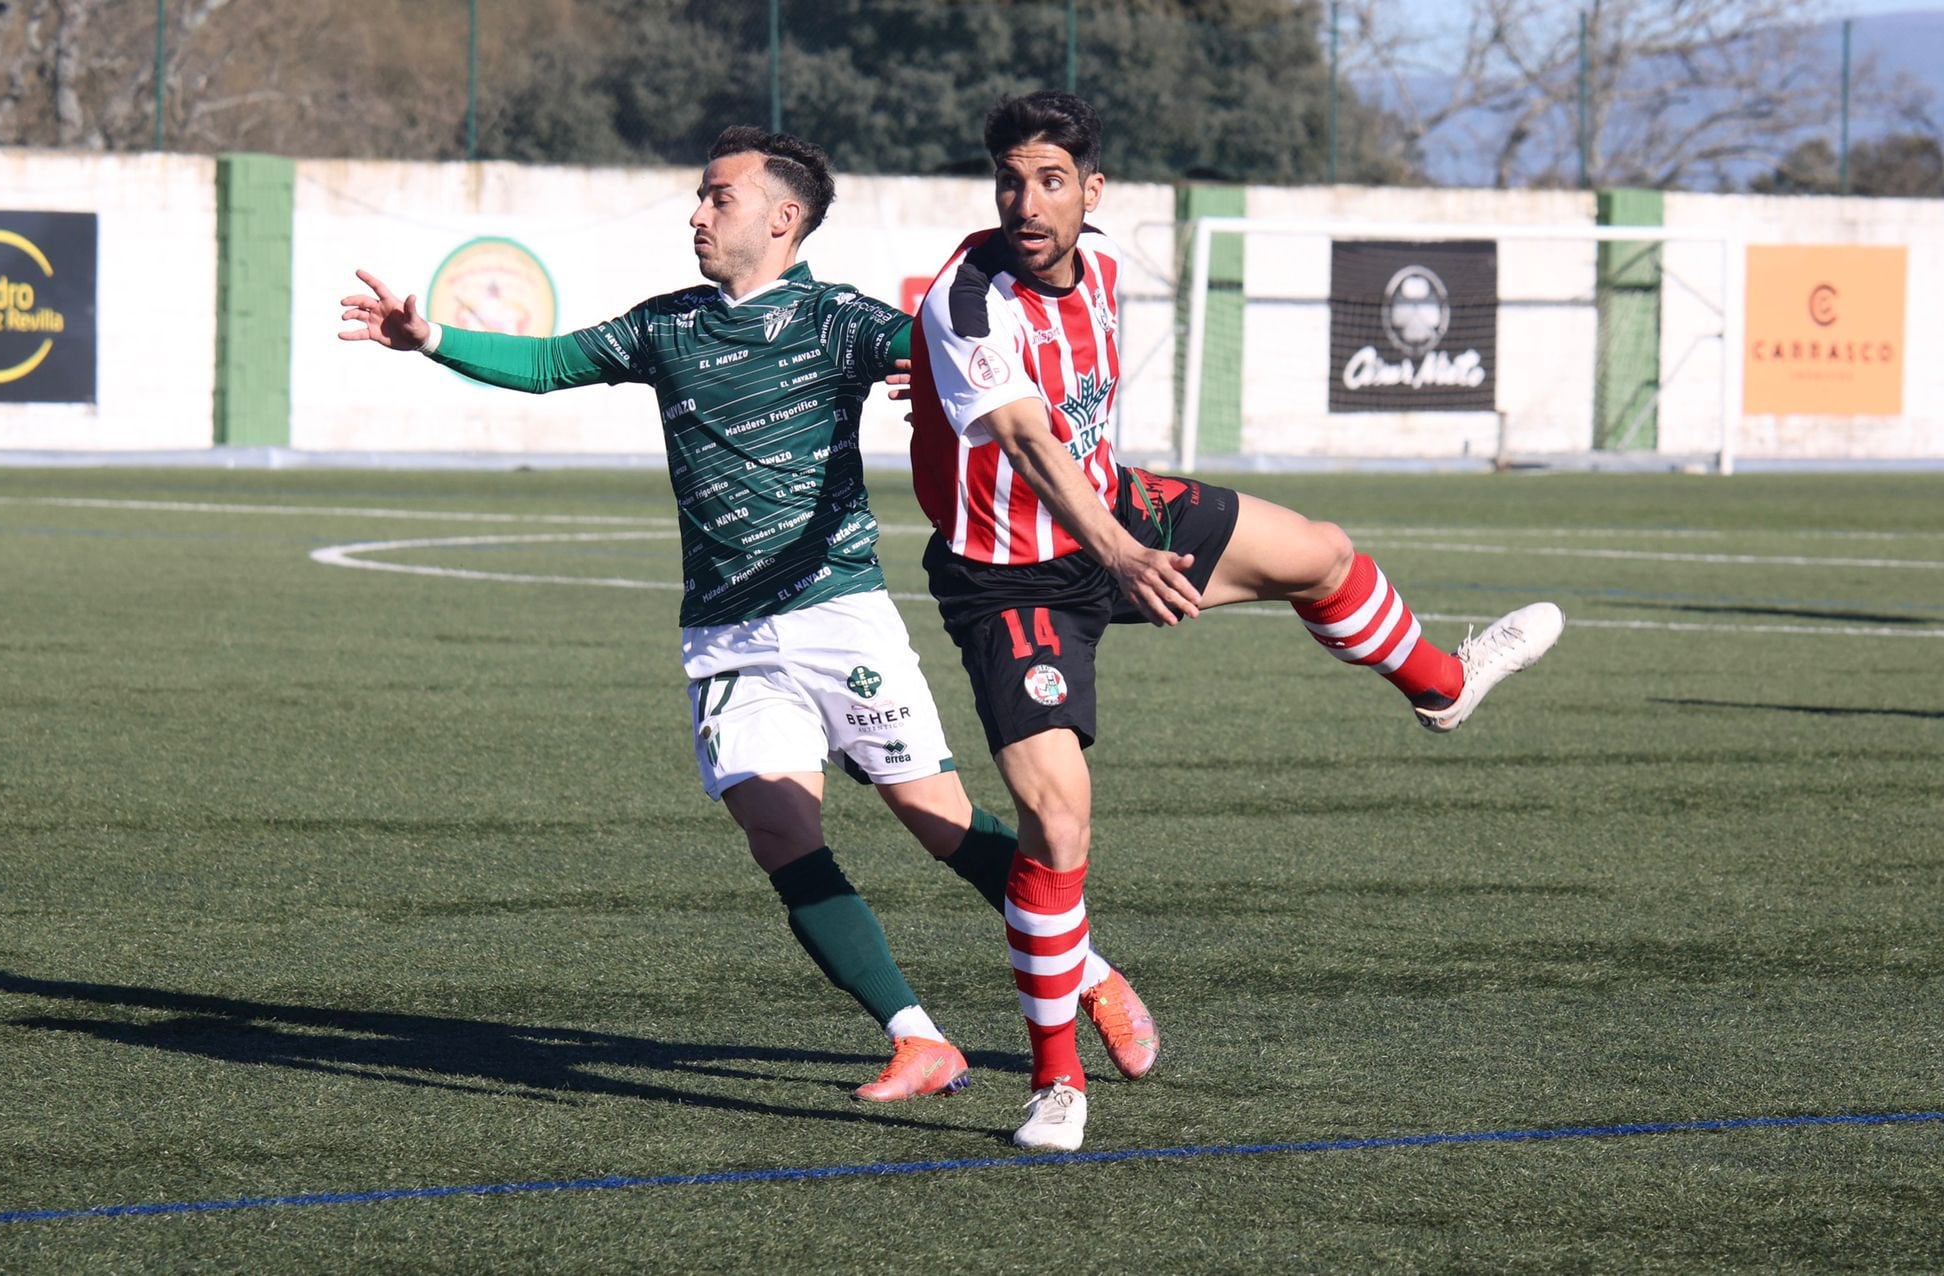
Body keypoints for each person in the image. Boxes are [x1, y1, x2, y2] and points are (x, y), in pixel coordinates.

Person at [338, 125, 1159, 1104]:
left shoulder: (838, 321)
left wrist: (934, 374)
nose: (695, 212)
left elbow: (965, 357)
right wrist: (426, 337)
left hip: (838, 615)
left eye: (715, 197)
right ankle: (915, 1036)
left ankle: (1091, 972)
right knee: (777, 832)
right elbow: (552, 360)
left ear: (782, 217)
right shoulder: (667, 327)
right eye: (698, 195)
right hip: (725, 632)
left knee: (933, 819)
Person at [910, 92, 1565, 1150]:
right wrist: (1116, 551)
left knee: (1322, 552)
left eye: (1046, 180)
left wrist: (1118, 530)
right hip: (1012, 581)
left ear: (1090, 189)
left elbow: (1063, 429)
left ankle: (1441, 687)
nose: (1023, 202)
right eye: (1007, 179)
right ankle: (1054, 1085)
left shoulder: (1108, 266)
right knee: (1059, 821)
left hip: (1114, 511)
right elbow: (1028, 441)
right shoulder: (969, 296)